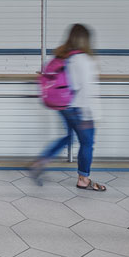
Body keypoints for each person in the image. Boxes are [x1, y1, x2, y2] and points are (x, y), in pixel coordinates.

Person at [30, 24, 106, 191]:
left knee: (68, 137)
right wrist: (93, 115)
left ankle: (41, 161)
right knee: (87, 144)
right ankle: (83, 179)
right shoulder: (84, 60)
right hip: (80, 109)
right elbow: (87, 89)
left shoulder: (64, 56)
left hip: (66, 106)